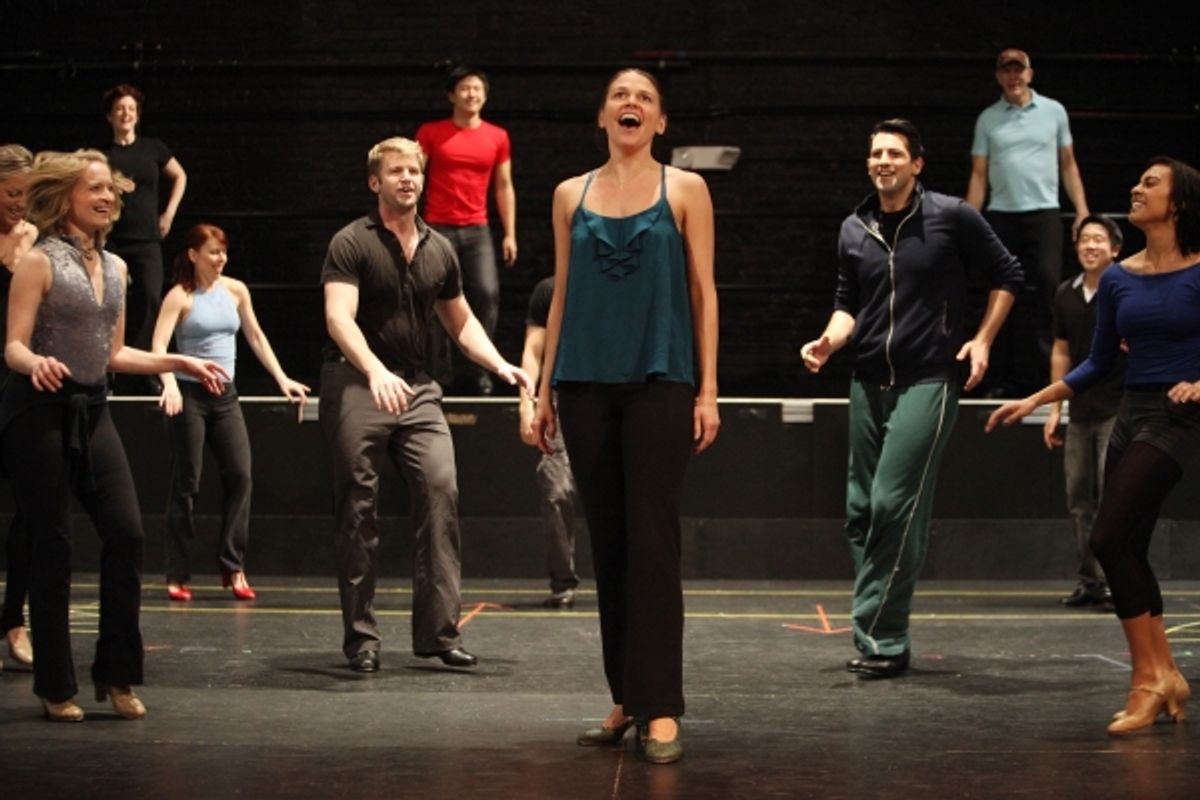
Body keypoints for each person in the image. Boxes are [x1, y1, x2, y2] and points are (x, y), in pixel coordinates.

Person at [531, 68, 720, 765]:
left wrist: (708, 389)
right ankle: (626, 695)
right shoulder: (567, 194)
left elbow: (704, 293)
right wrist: (543, 389)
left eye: (644, 98)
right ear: (602, 117)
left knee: (652, 541)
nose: (631, 103)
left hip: (661, 380)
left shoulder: (688, 190)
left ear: (660, 122)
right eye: (619, 96)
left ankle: (662, 704)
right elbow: (559, 296)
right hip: (582, 384)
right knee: (608, 546)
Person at [1, 149, 227, 722]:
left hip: (94, 408)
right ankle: (56, 686)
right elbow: (14, 344)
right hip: (40, 411)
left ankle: (118, 674)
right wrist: (35, 365)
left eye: (112, 191)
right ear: (65, 199)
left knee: (126, 535)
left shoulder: (120, 269)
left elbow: (115, 353)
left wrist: (177, 363)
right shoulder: (38, 261)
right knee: (52, 545)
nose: (107, 198)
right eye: (95, 189)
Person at [802, 119, 1021, 681]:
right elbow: (847, 301)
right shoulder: (855, 227)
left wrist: (982, 339)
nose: (883, 161)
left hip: (929, 381)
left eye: (894, 153)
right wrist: (830, 339)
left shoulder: (951, 216)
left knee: (893, 505)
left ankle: (885, 638)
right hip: (867, 380)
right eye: (875, 152)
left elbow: (1008, 274)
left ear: (916, 164)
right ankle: (880, 626)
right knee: (861, 511)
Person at [988, 157, 1200, 735]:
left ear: (1178, 202)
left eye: (1150, 183)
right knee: (1128, 541)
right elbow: (1099, 361)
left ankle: (1147, 681)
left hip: (1177, 418)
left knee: (1106, 536)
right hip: (1130, 410)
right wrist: (1036, 400)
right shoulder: (1119, 278)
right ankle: (1168, 675)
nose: (1136, 187)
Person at [320, 136, 532, 674]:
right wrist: (373, 371)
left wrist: (500, 363)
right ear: (376, 182)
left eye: (415, 171)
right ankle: (362, 639)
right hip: (356, 381)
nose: (408, 179)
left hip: (416, 389)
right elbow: (338, 318)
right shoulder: (351, 241)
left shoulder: (440, 248)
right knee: (358, 506)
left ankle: (438, 633)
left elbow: (460, 322)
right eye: (396, 172)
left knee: (441, 489)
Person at [152, 224, 310, 603]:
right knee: (187, 484)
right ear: (193, 255)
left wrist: (281, 377)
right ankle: (177, 572)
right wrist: (169, 383)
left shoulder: (235, 290)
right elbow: (158, 345)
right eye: (212, 252)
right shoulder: (180, 296)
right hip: (190, 395)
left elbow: (255, 336)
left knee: (241, 475)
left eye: (223, 252)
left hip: (225, 397)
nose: (220, 259)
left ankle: (233, 567)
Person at [966, 48, 1089, 395]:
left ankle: (1049, 378)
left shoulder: (1053, 112)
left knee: (1050, 288)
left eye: (1019, 70)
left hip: (1044, 211)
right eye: (1006, 70)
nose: (1013, 76)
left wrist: (1081, 210)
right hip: (1002, 214)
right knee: (1001, 291)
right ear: (999, 76)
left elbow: (1068, 164)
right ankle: (998, 377)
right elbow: (978, 175)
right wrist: (968, 220)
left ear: (1030, 74)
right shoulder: (988, 119)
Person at [416, 65, 517, 396]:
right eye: (464, 88)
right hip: (437, 226)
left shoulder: (497, 136)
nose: (471, 94)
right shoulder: (431, 132)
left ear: (485, 96)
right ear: (451, 95)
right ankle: (438, 374)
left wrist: (510, 233)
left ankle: (480, 370)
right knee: (434, 298)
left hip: (477, 228)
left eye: (477, 88)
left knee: (486, 293)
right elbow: (413, 177)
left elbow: (504, 186)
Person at [1043, 214, 1126, 608]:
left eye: (1099, 239)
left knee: (1116, 498)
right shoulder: (1065, 294)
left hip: (1118, 409)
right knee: (1079, 498)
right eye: (1084, 240)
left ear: (1115, 248)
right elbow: (1061, 350)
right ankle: (1090, 581)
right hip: (1079, 411)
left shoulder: (1127, 290)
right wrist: (1055, 409)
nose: (1090, 246)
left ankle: (1120, 581)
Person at [103, 83, 187, 392]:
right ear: (110, 116)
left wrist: (168, 214)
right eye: (120, 109)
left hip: (147, 239)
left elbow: (180, 175)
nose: (125, 114)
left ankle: (143, 370)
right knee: (114, 301)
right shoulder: (103, 154)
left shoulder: (153, 148)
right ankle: (114, 369)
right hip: (112, 240)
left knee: (151, 298)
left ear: (137, 115)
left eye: (131, 109)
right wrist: (111, 183)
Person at [518, 276, 579, 608]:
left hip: (607, 395)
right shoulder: (549, 290)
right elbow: (533, 349)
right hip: (558, 397)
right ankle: (562, 581)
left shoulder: (613, 283)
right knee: (555, 489)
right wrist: (525, 404)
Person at [0, 143, 37, 669]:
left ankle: (13, 619)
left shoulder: (37, 242)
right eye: (11, 194)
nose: (20, 204)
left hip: (20, 383)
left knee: (32, 506)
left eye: (28, 196)